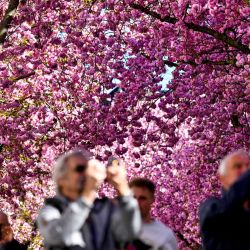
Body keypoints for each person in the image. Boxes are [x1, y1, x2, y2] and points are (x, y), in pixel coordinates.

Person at [37, 149, 141, 250]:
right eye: (80, 169)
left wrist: (123, 189)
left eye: (88, 169)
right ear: (61, 180)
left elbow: (130, 233)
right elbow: (57, 236)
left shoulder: (102, 210)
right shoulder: (51, 209)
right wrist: (87, 195)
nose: (87, 174)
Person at [199, 149, 250, 250]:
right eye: (238, 166)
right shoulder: (211, 208)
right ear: (222, 178)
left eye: (248, 166)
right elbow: (229, 207)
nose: (245, 171)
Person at [129, 178, 177, 250]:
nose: (137, 203)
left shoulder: (165, 235)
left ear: (152, 199)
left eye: (142, 198)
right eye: (133, 198)